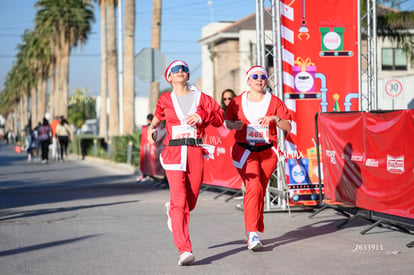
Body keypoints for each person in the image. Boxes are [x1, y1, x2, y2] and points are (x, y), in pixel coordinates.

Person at [147, 60, 223, 266]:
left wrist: (202, 115)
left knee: (192, 199)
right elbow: (157, 117)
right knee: (180, 202)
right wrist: (150, 129)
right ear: (169, 77)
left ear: (188, 76)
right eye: (175, 70)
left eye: (184, 69)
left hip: (195, 151)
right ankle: (185, 249)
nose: (180, 71)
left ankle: (172, 210)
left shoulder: (202, 98)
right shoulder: (165, 99)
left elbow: (219, 117)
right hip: (173, 153)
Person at [224, 65, 292, 251]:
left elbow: (288, 126)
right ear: (248, 80)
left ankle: (255, 226)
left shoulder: (275, 101)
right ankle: (252, 234)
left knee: (260, 190)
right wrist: (233, 125)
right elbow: (227, 121)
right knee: (253, 186)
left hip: (267, 152)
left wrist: (275, 119)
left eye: (263, 76)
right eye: (255, 76)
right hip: (245, 151)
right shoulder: (237, 102)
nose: (259, 79)